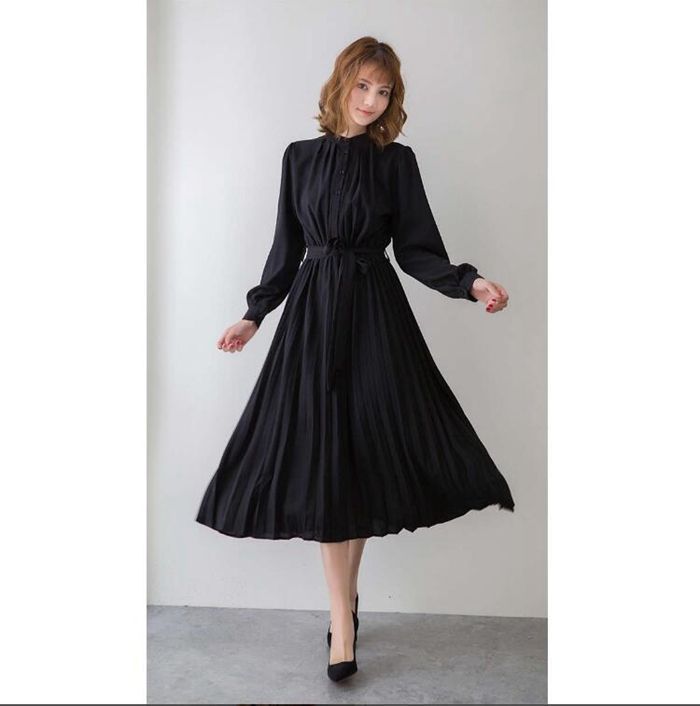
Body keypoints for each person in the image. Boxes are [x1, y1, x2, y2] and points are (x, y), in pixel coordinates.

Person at [196, 36, 515, 682]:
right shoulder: (299, 158)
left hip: (374, 318)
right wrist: (255, 315)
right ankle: (342, 621)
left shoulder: (396, 163)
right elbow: (285, 250)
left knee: (362, 456)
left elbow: (418, 249)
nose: (372, 101)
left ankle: (346, 603)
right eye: (363, 86)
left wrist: (469, 283)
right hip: (313, 320)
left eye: (384, 91)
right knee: (322, 458)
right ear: (341, 83)